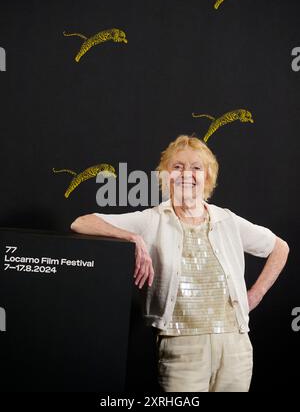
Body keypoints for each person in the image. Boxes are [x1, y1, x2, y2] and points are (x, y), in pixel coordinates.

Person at [70, 134, 290, 392]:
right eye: (178, 167)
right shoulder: (152, 220)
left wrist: (255, 295)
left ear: (207, 176)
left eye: (196, 167)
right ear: (165, 176)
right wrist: (132, 237)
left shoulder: (226, 220)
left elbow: (279, 248)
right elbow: (81, 223)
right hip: (180, 347)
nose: (187, 174)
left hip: (235, 345)